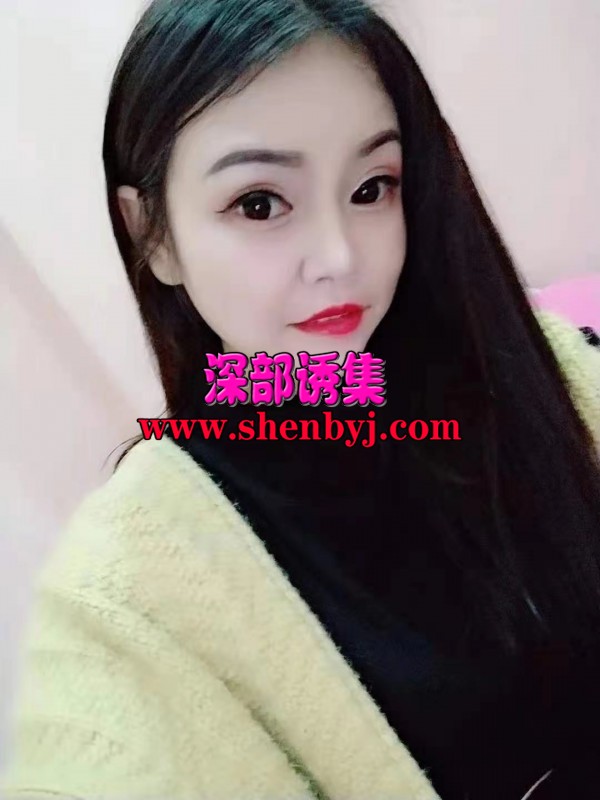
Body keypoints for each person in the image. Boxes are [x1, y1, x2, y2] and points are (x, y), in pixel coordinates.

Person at [3, 1, 600, 798]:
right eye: (260, 203)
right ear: (153, 236)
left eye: (372, 187)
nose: (339, 255)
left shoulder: (535, 372)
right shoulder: (129, 585)